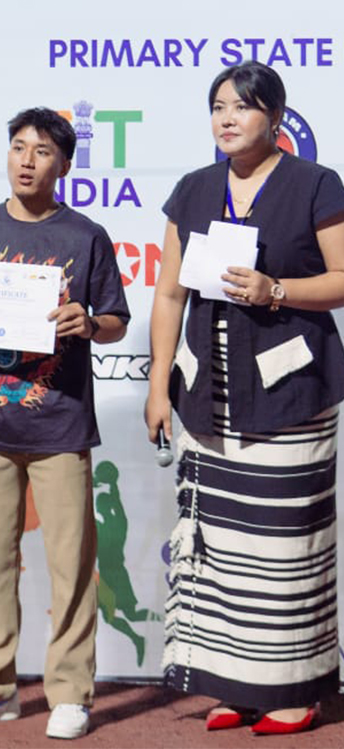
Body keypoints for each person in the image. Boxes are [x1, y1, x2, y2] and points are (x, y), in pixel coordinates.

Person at [145, 61, 344, 735]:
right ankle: (237, 683)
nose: (228, 117)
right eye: (219, 106)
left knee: (286, 548)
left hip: (291, 397)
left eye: (244, 106)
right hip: (208, 397)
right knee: (221, 549)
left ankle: (294, 689)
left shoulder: (316, 184)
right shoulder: (193, 189)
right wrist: (157, 384)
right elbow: (169, 293)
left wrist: (276, 290)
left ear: (276, 118)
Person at [0, 108, 129, 741]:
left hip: (60, 425)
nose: (26, 160)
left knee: (71, 565)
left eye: (41, 151)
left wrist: (89, 324)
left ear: (63, 164)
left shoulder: (86, 236)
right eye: (17, 147)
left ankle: (70, 692)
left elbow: (117, 319)